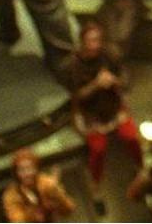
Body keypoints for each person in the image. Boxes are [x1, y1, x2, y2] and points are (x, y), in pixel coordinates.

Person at [58, 21, 143, 214]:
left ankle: (140, 170)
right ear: (82, 42)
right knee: (97, 150)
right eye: (90, 41)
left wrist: (115, 81)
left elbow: (124, 80)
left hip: (114, 109)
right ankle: (96, 188)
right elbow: (76, 96)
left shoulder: (109, 55)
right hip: (91, 116)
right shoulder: (72, 65)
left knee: (131, 138)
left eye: (97, 40)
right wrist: (96, 85)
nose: (95, 45)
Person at [3, 148, 76, 223]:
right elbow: (17, 220)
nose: (27, 173)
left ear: (36, 169)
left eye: (30, 168)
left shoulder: (47, 183)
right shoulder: (11, 195)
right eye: (22, 170)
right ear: (16, 173)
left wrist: (56, 195)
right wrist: (32, 214)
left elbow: (69, 208)